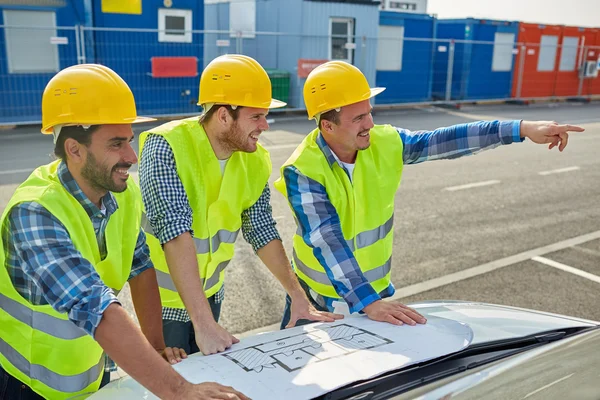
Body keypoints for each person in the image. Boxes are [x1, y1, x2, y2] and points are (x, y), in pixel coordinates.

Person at [274, 60, 584, 329]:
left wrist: (521, 128)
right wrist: (368, 302)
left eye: (369, 112)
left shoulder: (386, 142)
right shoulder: (303, 169)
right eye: (358, 118)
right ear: (327, 125)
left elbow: (445, 140)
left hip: (373, 297)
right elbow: (326, 238)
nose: (370, 123)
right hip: (318, 301)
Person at [0, 64, 249, 400]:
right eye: (116, 144)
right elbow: (93, 305)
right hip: (29, 384)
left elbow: (141, 269)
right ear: (74, 149)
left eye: (129, 141)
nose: (132, 156)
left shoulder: (125, 195)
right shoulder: (34, 212)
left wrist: (158, 349)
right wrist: (180, 391)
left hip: (93, 374)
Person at [138, 54, 342, 356]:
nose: (265, 126)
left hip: (209, 295)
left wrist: (298, 297)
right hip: (162, 303)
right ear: (223, 115)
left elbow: (261, 229)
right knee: (169, 384)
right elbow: (174, 231)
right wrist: (203, 324)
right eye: (257, 116)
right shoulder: (165, 145)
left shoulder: (255, 159)